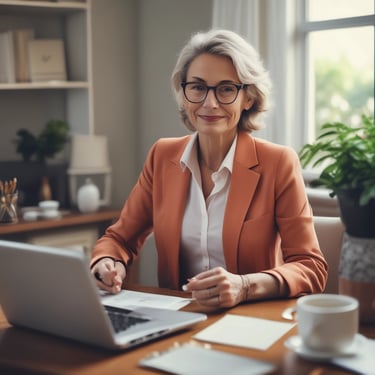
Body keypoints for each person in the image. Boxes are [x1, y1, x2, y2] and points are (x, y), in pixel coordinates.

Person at [90, 29, 328, 308]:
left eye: (226, 89)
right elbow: (119, 238)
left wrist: (245, 286)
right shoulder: (162, 156)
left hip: (252, 320)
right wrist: (107, 262)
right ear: (184, 92)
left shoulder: (278, 163)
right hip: (177, 319)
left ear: (248, 98)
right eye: (198, 87)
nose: (210, 103)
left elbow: (311, 267)